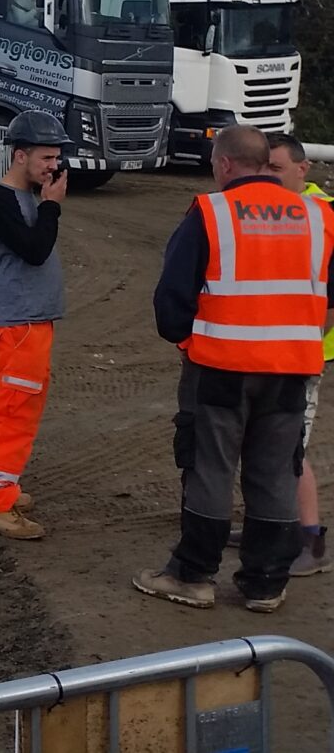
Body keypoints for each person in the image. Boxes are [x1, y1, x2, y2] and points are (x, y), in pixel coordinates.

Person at [136, 126, 334, 612]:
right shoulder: (318, 216)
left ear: (224, 164)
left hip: (220, 367)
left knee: (210, 467)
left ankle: (193, 574)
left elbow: (170, 300)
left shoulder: (211, 213)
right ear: (266, 162)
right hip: (291, 368)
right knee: (274, 473)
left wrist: (187, 342)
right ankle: (266, 582)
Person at [0, 108, 71, 540]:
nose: (55, 166)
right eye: (47, 158)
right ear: (20, 155)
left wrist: (46, 204)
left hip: (30, 323)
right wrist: (51, 208)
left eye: (56, 158)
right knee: (15, 411)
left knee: (14, 407)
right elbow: (34, 249)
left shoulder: (28, 197)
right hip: (18, 324)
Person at [266, 132, 334, 575]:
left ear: (301, 169)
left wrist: (307, 343)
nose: (267, 177)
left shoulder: (323, 216)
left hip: (306, 353)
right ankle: (272, 525)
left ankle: (310, 539)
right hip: (275, 350)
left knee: (290, 449)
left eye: (275, 168)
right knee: (268, 445)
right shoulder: (278, 211)